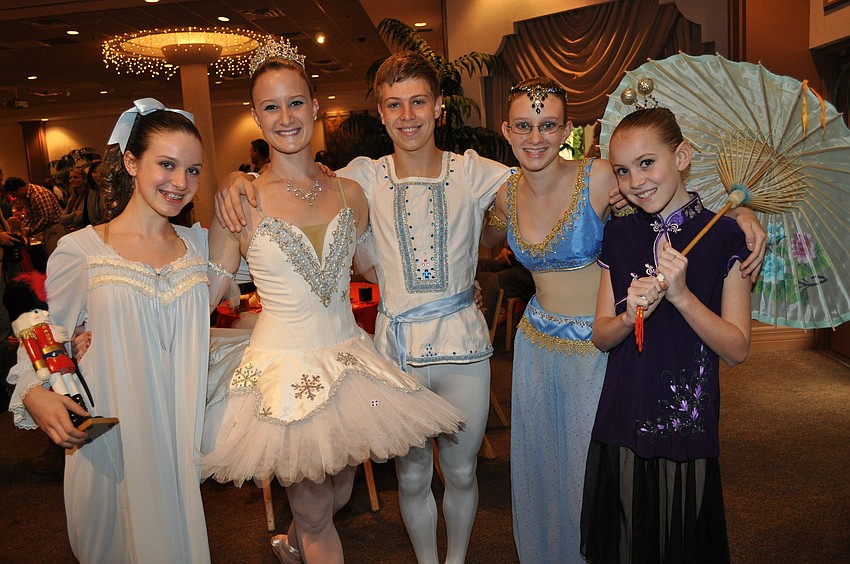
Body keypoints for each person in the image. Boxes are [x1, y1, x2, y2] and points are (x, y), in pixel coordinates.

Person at [215, 50, 513, 564]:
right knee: (367, 491)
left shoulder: (365, 186)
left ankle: (295, 538)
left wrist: (468, 271)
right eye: (394, 104)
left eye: (419, 101)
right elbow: (216, 286)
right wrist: (231, 179)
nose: (407, 115)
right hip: (344, 356)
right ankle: (306, 535)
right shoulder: (351, 180)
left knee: (341, 494)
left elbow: (523, 191)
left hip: (388, 357)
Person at [482, 78, 764, 563]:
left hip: (612, 370)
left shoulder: (599, 178)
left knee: (614, 497)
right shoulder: (505, 193)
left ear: (567, 129)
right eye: (524, 126)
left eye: (548, 125)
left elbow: (681, 190)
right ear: (507, 131)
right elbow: (475, 228)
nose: (536, 137)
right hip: (541, 347)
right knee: (545, 473)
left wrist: (745, 213)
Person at [7, 98, 213, 563]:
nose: (180, 182)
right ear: (131, 162)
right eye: (167, 164)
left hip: (179, 444)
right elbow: (45, 336)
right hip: (113, 443)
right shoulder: (81, 250)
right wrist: (33, 394)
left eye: (194, 170)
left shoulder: (201, 247)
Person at [580, 107, 754, 562]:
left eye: (647, 163)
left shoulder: (726, 237)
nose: (635, 181)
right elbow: (600, 335)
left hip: (685, 419)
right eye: (622, 170)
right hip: (623, 408)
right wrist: (626, 315)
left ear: (682, 156)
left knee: (680, 543)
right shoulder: (618, 235)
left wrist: (681, 297)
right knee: (628, 540)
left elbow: (736, 349)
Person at [2, 177, 64, 273]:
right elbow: (29, 217)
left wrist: (29, 231)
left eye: (14, 194)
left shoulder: (39, 194)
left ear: (19, 189)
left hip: (54, 228)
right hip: (44, 230)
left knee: (55, 261)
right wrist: (22, 230)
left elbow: (46, 219)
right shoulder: (26, 197)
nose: (15, 198)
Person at [59, 166, 88, 231]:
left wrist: (69, 219)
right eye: (70, 178)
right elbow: (62, 219)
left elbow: (80, 219)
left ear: (84, 180)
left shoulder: (88, 197)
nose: (72, 180)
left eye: (76, 177)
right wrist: (74, 214)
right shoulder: (72, 199)